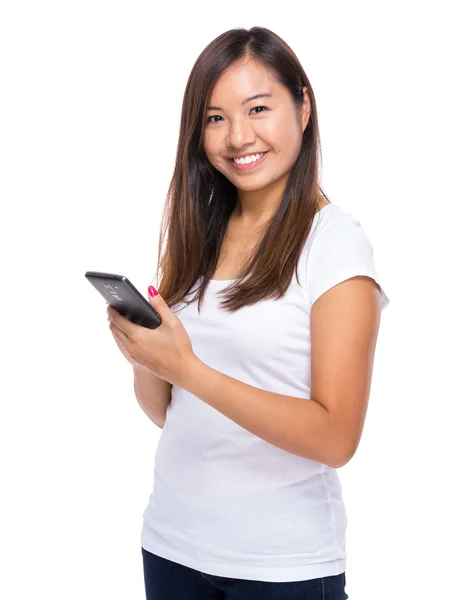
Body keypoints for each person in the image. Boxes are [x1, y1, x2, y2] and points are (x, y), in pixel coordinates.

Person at [109, 26, 390, 600]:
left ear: (303, 105)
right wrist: (146, 357)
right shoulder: (198, 235)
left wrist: (187, 368)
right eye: (214, 118)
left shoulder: (335, 244)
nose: (238, 137)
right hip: (172, 543)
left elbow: (337, 438)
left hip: (280, 566)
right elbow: (168, 413)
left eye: (258, 108)